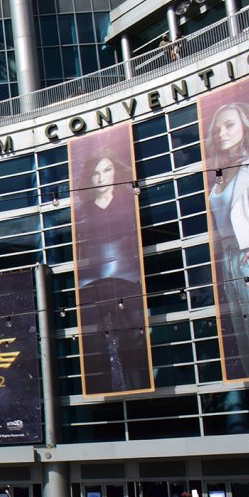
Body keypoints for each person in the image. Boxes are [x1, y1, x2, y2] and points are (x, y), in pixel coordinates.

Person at [72, 143, 151, 394]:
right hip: (90, 286)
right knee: (94, 345)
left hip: (127, 281)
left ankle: (140, 391)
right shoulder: (81, 212)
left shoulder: (128, 203)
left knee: (132, 341)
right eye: (95, 173)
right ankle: (100, 394)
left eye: (106, 170)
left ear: (115, 172)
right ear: (89, 178)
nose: (101, 178)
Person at [205, 100, 249, 378]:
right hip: (228, 260)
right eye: (217, 129)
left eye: (229, 125)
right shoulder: (219, 173)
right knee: (243, 331)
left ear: (245, 126)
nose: (222, 133)